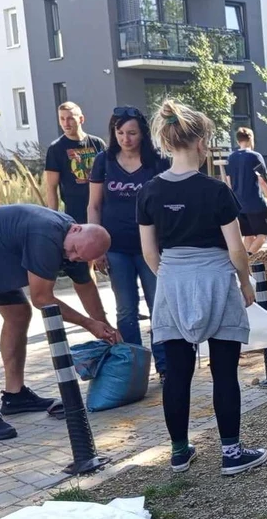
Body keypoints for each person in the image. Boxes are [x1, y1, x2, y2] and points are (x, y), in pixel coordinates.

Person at [137, 100, 267, 476]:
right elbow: (236, 248)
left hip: (173, 280)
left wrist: (171, 276)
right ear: (201, 142)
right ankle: (231, 453)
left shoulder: (148, 192)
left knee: (177, 373)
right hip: (215, 279)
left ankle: (179, 452)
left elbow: (149, 252)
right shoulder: (215, 190)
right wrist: (244, 283)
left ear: (166, 141)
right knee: (224, 371)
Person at [0, 205, 117, 440]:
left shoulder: (77, 244)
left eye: (81, 257)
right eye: (75, 251)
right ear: (76, 229)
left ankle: (15, 396)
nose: (74, 258)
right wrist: (88, 324)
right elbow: (42, 299)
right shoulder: (46, 235)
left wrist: (104, 326)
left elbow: (85, 285)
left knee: (18, 314)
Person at [88, 106, 169, 375]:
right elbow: (94, 206)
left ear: (143, 134)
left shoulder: (158, 161)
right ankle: (137, 366)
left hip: (152, 248)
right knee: (125, 310)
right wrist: (96, 247)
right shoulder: (103, 161)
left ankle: (165, 365)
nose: (126, 138)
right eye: (120, 132)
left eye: (132, 133)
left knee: (159, 305)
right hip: (116, 247)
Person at [44, 101, 108, 313]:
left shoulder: (97, 144)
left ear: (81, 118)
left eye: (70, 118)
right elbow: (51, 188)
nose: (66, 123)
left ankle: (126, 306)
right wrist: (53, 219)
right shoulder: (56, 149)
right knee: (83, 266)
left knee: (110, 260)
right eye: (62, 118)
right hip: (75, 216)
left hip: (102, 211)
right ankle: (96, 312)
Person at [226, 127, 267, 255]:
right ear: (251, 139)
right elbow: (263, 181)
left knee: (248, 235)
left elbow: (228, 182)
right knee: (262, 235)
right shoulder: (255, 156)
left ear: (238, 141)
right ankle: (247, 257)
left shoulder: (231, 158)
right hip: (255, 204)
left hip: (239, 204)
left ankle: (246, 267)